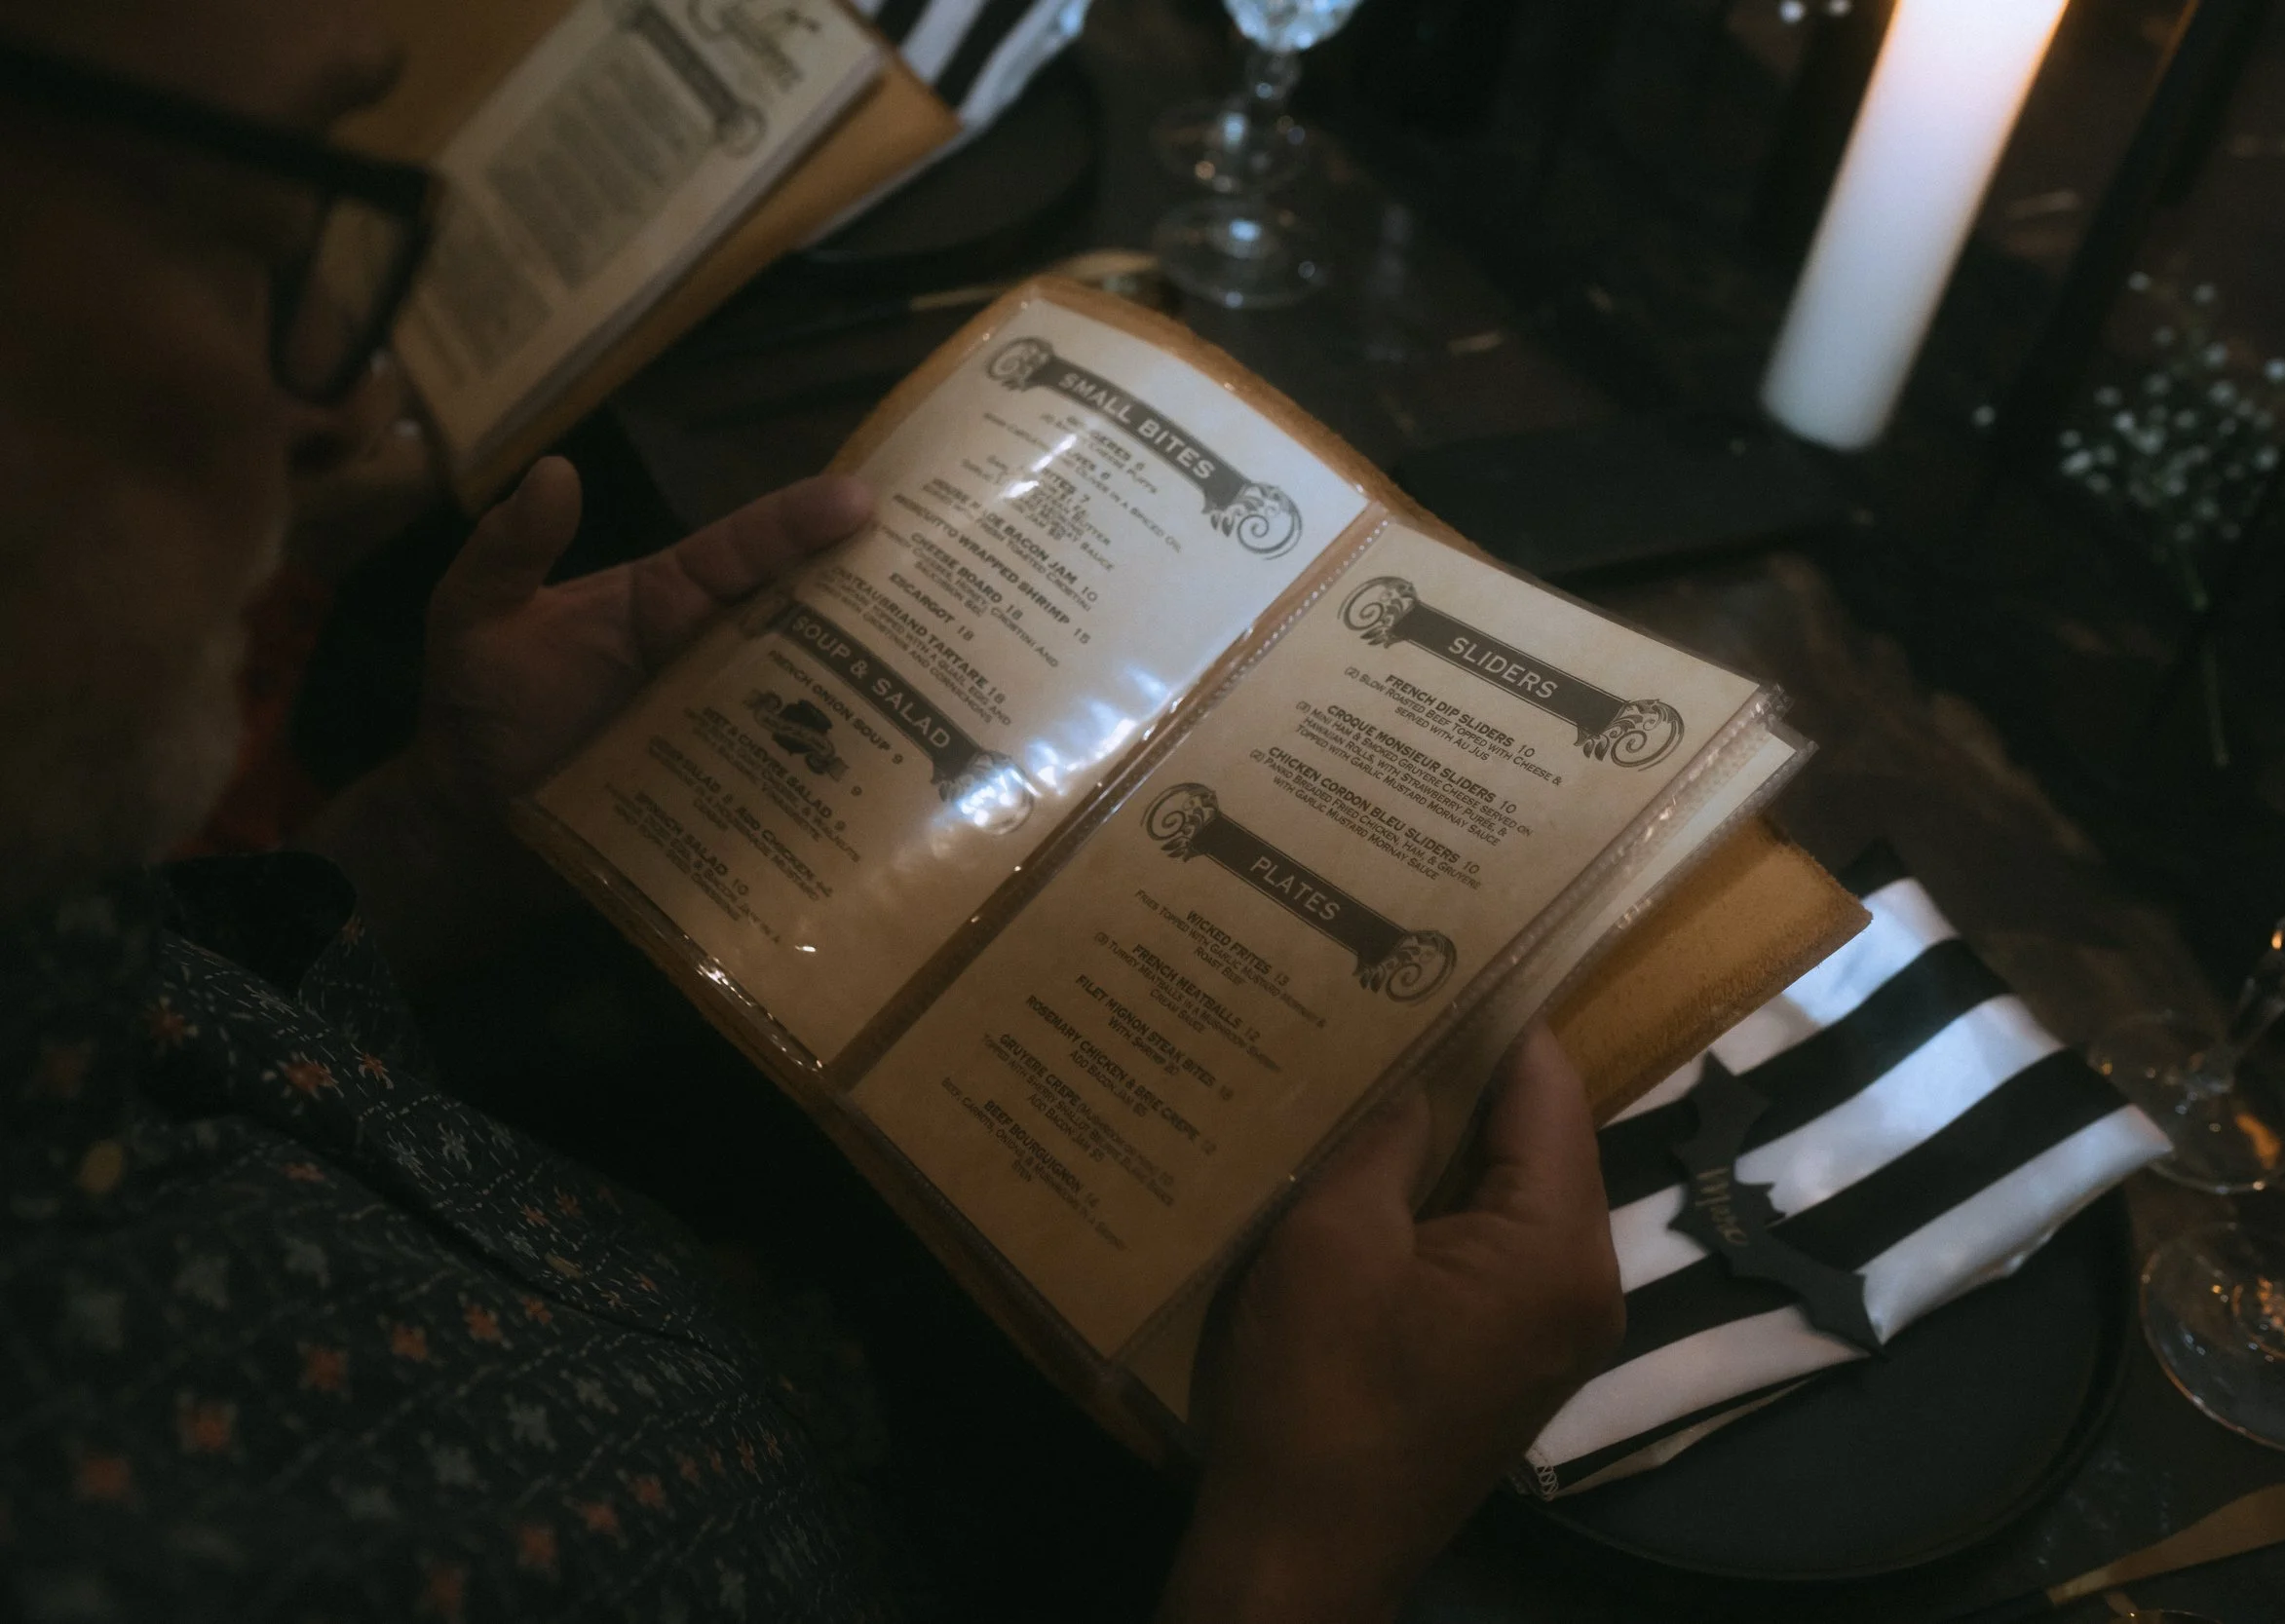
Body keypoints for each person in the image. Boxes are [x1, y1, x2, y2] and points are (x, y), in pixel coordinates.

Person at [0, 2, 1627, 1619]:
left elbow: (182, 1022)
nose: (357, 409)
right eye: (251, 235)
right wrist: (1306, 1553)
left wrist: (439, 833)